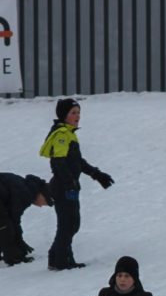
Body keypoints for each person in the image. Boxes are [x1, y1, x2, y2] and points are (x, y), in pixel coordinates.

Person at [40, 98, 115, 271]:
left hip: (68, 186)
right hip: (63, 186)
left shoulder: (69, 133)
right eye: (73, 113)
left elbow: (77, 162)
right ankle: (61, 261)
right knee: (69, 224)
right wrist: (70, 183)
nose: (78, 116)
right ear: (64, 115)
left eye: (79, 112)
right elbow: (58, 162)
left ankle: (57, 258)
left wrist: (97, 174)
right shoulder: (61, 135)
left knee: (71, 223)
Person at [0, 172, 53, 266]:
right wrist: (20, 242)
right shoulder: (26, 193)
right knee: (4, 224)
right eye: (44, 202)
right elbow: (14, 219)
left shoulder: (27, 188)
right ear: (41, 194)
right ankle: (13, 257)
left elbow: (13, 217)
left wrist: (19, 241)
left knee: (0, 223)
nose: (40, 206)